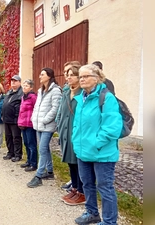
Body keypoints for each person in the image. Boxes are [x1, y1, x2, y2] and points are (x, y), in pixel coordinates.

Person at [72, 64, 122, 225]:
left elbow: (112, 127)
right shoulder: (81, 98)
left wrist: (95, 143)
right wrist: (75, 140)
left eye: (86, 76)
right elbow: (77, 125)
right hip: (83, 151)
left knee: (105, 187)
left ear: (97, 78)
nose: (82, 79)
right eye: (80, 77)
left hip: (102, 153)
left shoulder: (106, 98)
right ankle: (92, 212)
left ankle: (109, 221)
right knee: (87, 184)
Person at [55, 65, 86, 205]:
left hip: (76, 133)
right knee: (70, 162)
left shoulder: (83, 93)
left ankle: (82, 192)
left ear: (79, 77)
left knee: (78, 163)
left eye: (71, 75)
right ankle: (74, 188)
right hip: (65, 131)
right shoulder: (67, 92)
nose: (68, 77)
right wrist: (58, 125)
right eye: (67, 74)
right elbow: (60, 112)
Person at [27, 67, 62, 188]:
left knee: (42, 149)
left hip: (48, 125)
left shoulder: (56, 90)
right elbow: (37, 107)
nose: (40, 76)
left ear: (49, 76)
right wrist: (33, 118)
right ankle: (50, 172)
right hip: (39, 125)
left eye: (42, 74)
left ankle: (38, 175)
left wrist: (45, 119)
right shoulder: (40, 90)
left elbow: (55, 108)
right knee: (45, 148)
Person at [1, 75, 24, 162]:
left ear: (19, 82)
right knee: (8, 137)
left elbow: (21, 107)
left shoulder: (21, 93)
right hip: (6, 119)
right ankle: (10, 152)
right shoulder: (9, 92)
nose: (13, 82)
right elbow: (4, 104)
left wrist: (17, 118)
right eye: (12, 81)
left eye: (15, 81)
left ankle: (18, 154)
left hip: (15, 120)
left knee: (16, 138)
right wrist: (2, 115)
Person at [17, 79, 38, 172]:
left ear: (31, 88)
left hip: (30, 124)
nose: (24, 87)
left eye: (26, 86)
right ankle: (28, 161)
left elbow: (36, 110)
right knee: (26, 143)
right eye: (24, 85)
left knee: (32, 144)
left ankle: (33, 163)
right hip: (23, 124)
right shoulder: (23, 97)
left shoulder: (33, 97)